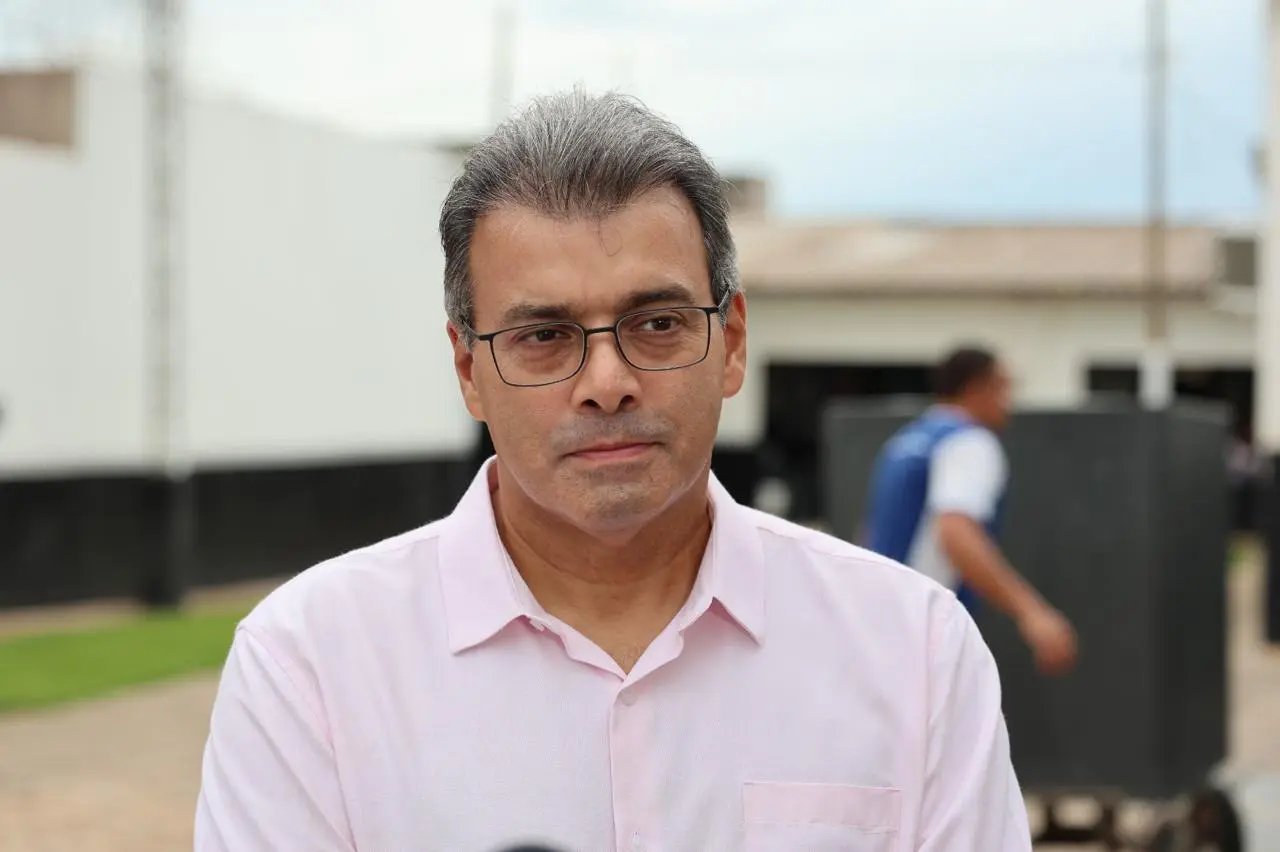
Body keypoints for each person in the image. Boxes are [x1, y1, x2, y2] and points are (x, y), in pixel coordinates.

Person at [194, 91, 1033, 851]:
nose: (606, 384)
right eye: (544, 335)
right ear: (467, 371)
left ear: (731, 341)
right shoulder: (312, 664)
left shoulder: (913, 651)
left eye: (658, 322)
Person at [864, 347, 1078, 676]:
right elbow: (956, 532)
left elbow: (870, 532)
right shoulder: (970, 443)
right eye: (1004, 386)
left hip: (877, 626)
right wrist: (1032, 613)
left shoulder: (905, 441)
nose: (1009, 400)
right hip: (922, 632)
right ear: (979, 387)